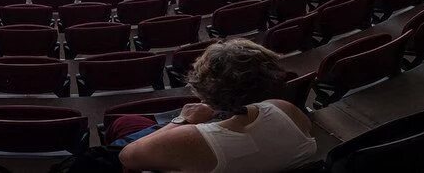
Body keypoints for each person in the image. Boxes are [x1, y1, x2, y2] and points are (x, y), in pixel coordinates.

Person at [116, 39, 317, 173]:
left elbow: (127, 156)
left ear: (203, 89)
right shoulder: (285, 109)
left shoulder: (190, 140)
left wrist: (183, 119)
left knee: (124, 123)